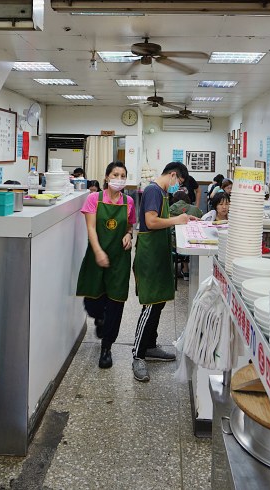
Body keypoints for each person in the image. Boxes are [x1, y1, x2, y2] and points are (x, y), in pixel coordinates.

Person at [132, 162, 192, 382]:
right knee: (150, 306)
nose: (178, 186)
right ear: (173, 175)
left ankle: (149, 345)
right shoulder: (152, 191)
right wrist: (177, 220)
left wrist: (185, 220)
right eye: (179, 182)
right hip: (149, 257)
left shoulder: (163, 193)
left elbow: (162, 219)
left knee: (158, 303)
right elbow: (151, 221)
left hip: (158, 255)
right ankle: (137, 355)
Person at [75, 162, 135, 369]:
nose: (119, 178)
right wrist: (98, 251)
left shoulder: (129, 201)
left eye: (123, 175)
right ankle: (99, 318)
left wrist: (128, 235)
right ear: (107, 177)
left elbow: (129, 224)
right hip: (96, 256)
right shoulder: (94, 199)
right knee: (92, 303)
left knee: (116, 304)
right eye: (115, 174)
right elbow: (91, 228)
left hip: (119, 260)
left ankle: (107, 348)